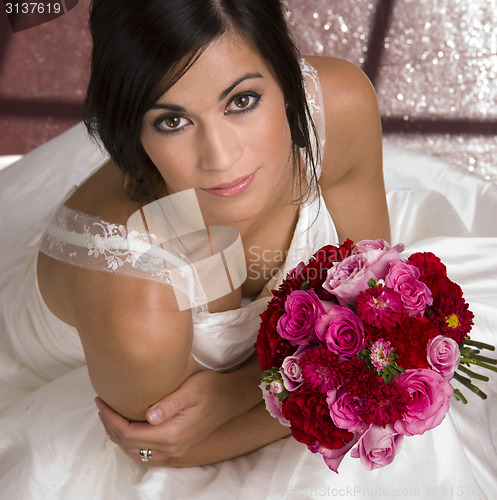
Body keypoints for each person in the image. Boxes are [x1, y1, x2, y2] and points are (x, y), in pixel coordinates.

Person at [0, 0, 495, 498]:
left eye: (241, 102)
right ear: (133, 129)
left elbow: (369, 296)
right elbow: (157, 447)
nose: (221, 158)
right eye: (171, 122)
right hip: (75, 372)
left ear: (286, 76)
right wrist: (324, 392)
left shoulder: (337, 106)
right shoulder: (135, 296)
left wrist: (238, 391)